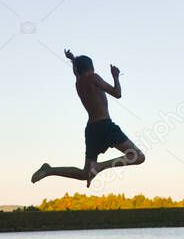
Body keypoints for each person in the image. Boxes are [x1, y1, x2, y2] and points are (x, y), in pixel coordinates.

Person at [30, 49, 145, 187]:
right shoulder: (93, 77)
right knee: (138, 156)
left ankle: (49, 170)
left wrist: (73, 60)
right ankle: (100, 166)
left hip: (91, 130)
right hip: (105, 126)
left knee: (85, 174)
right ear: (92, 67)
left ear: (78, 70)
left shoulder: (78, 83)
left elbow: (77, 73)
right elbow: (117, 93)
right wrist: (116, 76)